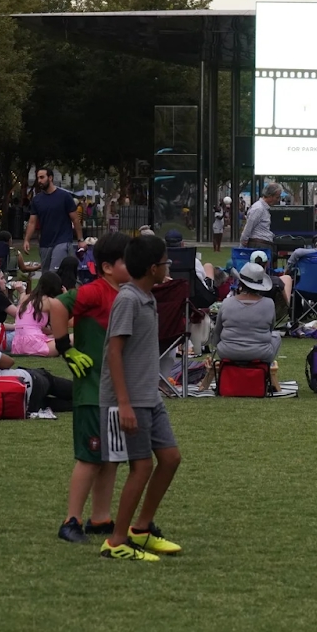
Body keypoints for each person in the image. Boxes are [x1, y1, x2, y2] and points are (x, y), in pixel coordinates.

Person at [100, 234, 185, 561]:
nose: (169, 266)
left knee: (171, 458)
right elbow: (114, 353)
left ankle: (142, 528)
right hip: (130, 399)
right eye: (165, 262)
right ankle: (117, 541)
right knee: (141, 467)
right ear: (153, 268)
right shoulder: (129, 300)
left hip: (150, 396)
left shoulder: (148, 298)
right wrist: (123, 403)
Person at [54, 232, 130, 544]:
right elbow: (57, 305)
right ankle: (71, 520)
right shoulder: (95, 291)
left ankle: (101, 518)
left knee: (111, 457)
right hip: (92, 390)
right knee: (90, 457)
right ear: (108, 267)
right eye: (129, 259)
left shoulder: (126, 293)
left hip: (114, 391)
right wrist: (65, 349)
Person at [211, 262, 281, 363]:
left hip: (228, 352)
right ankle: (263, 368)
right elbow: (270, 330)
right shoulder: (269, 303)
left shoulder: (227, 302)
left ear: (240, 283)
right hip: (260, 353)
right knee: (276, 336)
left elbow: (217, 331)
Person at [25, 168, 83, 274]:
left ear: (50, 178)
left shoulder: (65, 197)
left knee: (54, 273)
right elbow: (32, 222)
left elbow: (75, 219)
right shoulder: (37, 200)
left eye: (42, 177)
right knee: (46, 275)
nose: (39, 181)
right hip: (45, 243)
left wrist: (80, 239)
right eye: (38, 178)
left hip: (62, 240)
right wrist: (26, 240)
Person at [11, 271, 62, 357]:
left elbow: (35, 326)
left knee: (55, 336)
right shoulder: (46, 301)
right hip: (34, 343)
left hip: (18, 344)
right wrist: (66, 294)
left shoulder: (26, 298)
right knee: (73, 337)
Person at [240, 182, 280, 250]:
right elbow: (249, 225)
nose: (278, 200)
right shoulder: (258, 208)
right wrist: (244, 240)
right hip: (259, 245)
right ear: (270, 196)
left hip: (263, 243)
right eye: (277, 197)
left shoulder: (263, 208)